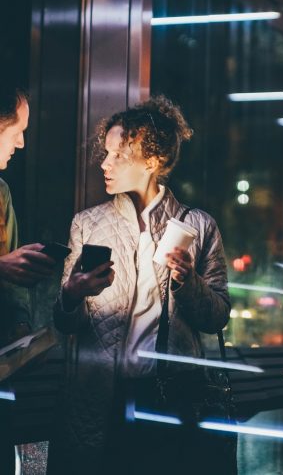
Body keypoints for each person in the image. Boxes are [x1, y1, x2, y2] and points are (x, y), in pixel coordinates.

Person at [48, 95, 232, 475]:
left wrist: (188, 281)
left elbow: (217, 316)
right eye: (107, 152)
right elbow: (66, 323)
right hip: (101, 394)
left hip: (172, 396)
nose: (105, 163)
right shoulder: (88, 223)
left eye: (118, 154)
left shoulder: (198, 226)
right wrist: (72, 294)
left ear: (152, 162)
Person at [0, 80, 56, 473]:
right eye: (17, 132)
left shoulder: (1, 194)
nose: (20, 145)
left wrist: (23, 333)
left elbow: (10, 286)